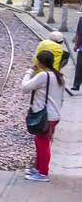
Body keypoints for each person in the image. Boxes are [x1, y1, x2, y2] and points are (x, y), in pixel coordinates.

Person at [22, 48, 65, 182]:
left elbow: (24, 88)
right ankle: (38, 167)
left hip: (45, 116)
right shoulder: (58, 76)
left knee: (43, 144)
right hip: (54, 115)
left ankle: (43, 173)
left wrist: (29, 71)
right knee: (39, 140)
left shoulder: (43, 76)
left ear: (39, 62)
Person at [73, 15, 82, 92]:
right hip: (81, 47)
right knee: (79, 66)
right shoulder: (81, 19)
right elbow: (78, 32)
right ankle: (76, 85)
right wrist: (76, 44)